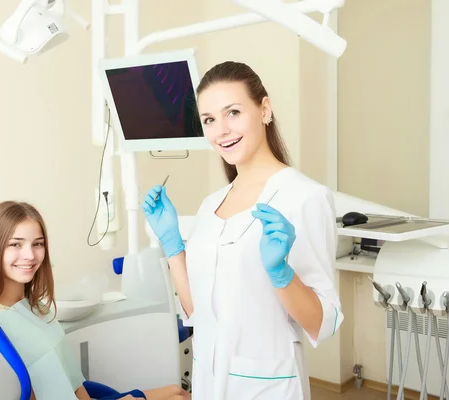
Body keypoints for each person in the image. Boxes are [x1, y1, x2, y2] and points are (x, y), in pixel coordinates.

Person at [141, 61, 344, 399]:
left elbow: (323, 324)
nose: (221, 130)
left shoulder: (305, 197)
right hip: (209, 381)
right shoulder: (211, 205)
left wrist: (281, 274)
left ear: (264, 109)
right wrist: (173, 245)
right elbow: (196, 312)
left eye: (233, 112)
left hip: (266, 385)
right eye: (209, 120)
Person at [0, 201, 190, 400]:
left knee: (177, 391)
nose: (29, 255)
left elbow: (74, 382)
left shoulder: (36, 308)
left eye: (37, 244)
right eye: (16, 244)